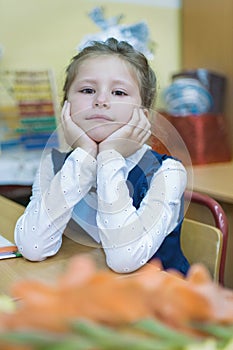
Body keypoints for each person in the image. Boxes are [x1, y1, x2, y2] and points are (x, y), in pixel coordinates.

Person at [14, 37, 189, 275]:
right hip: (91, 290)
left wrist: (109, 157)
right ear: (66, 106)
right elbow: (33, 247)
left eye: (118, 92)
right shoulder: (54, 164)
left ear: (144, 115)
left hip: (159, 299)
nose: (101, 101)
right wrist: (85, 154)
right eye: (87, 90)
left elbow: (123, 260)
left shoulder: (167, 172)